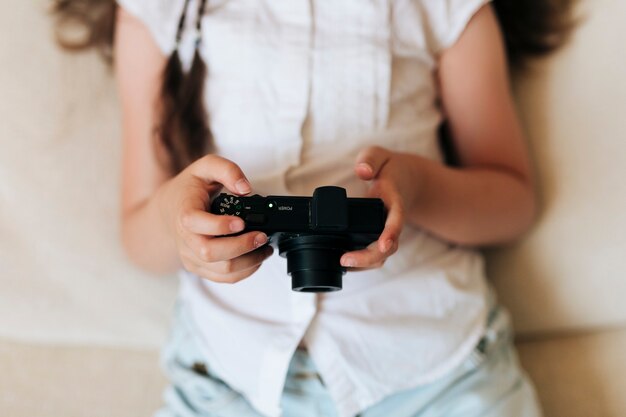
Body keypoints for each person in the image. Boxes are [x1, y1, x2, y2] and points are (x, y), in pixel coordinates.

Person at [53, 0, 575, 416]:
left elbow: (511, 203)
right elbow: (139, 238)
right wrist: (179, 219)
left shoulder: (445, 7)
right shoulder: (159, 12)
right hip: (232, 378)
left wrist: (417, 187)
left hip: (435, 371)